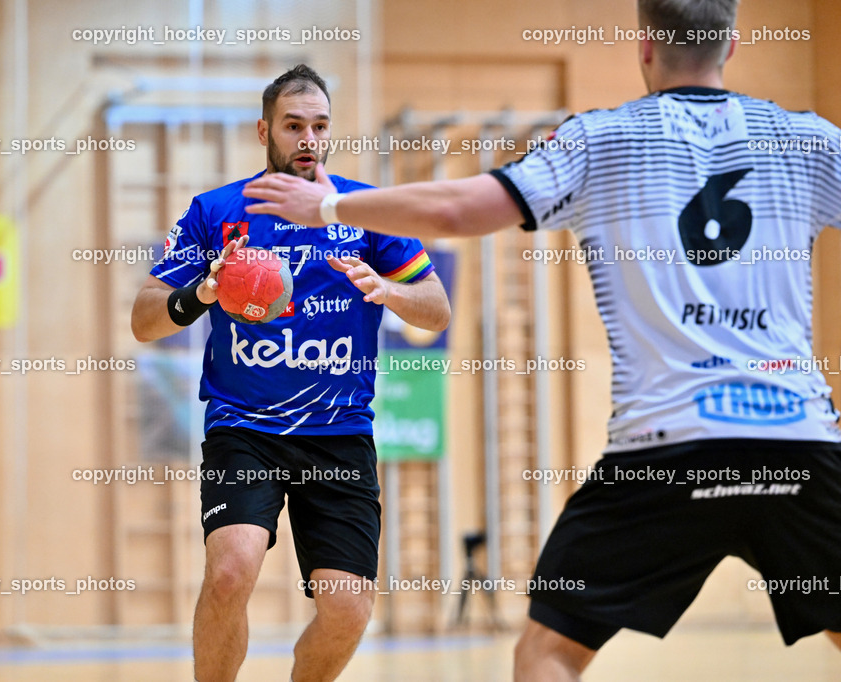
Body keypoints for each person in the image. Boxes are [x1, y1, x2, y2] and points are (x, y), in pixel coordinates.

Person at [241, 2, 841, 680]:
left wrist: (325, 206)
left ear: (644, 46)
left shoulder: (601, 139)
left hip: (666, 446)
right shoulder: (809, 140)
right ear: (731, 44)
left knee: (549, 652)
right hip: (799, 439)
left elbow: (455, 210)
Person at [131, 64, 450, 682]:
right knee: (230, 571)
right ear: (264, 131)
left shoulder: (363, 212)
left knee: (348, 608)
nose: (308, 137)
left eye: (319, 126)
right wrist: (203, 291)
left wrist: (386, 289)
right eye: (293, 125)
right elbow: (145, 320)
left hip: (339, 432)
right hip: (244, 426)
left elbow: (435, 311)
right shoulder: (217, 211)